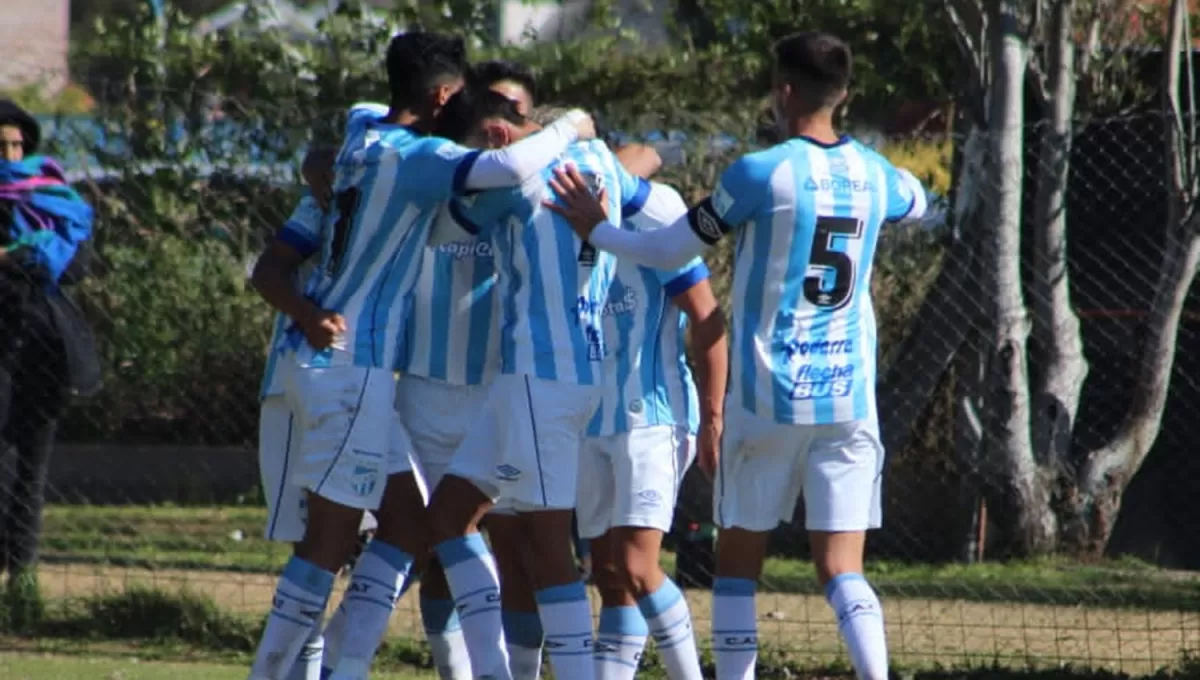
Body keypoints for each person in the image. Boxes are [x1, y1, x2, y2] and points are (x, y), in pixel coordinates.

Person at [543, 32, 928, 680]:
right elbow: (918, 201)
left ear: (783, 91)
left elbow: (670, 248)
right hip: (848, 399)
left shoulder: (759, 172)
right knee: (841, 569)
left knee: (737, 571)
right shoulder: (874, 173)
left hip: (766, 397)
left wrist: (597, 230)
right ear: (844, 94)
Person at [245, 30, 597, 680]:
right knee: (327, 542)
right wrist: (569, 125)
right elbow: (511, 169)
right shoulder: (422, 157)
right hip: (352, 362)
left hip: (326, 363)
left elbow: (331, 152)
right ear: (441, 95)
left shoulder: (363, 133)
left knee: (409, 524)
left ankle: (338, 671)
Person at [422, 87, 649, 680]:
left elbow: (442, 221)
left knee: (547, 541)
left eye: (473, 152)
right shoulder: (598, 161)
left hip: (543, 378)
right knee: (448, 516)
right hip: (541, 379)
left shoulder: (510, 183)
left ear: (496, 138)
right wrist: (581, 127)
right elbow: (642, 166)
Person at [579, 177, 727, 680]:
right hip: (586, 420)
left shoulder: (655, 217)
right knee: (609, 574)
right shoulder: (552, 216)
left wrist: (712, 418)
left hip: (652, 419)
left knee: (638, 566)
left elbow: (708, 319)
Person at [0, 99, 97, 627]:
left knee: (32, 469)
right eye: (0, 147)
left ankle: (24, 578)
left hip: (45, 346)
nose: (11, 155)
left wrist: (16, 257)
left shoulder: (56, 200)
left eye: (17, 145)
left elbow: (78, 264)